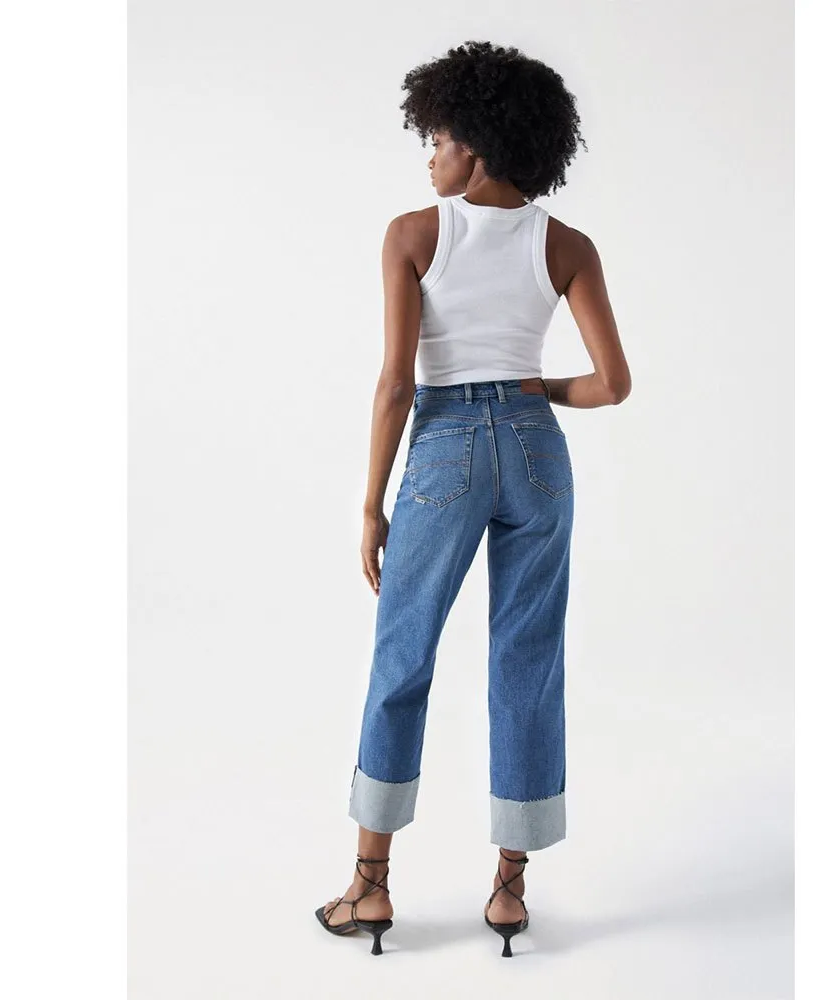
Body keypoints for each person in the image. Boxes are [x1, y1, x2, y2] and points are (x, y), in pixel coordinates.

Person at [315, 40, 631, 957]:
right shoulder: (566, 245)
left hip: (445, 447)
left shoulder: (415, 234)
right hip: (536, 453)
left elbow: (395, 384)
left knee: (403, 653)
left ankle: (370, 886)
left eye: (440, 139)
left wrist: (371, 502)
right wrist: (537, 391)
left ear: (478, 149)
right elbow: (612, 384)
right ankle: (508, 892)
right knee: (527, 659)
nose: (431, 156)